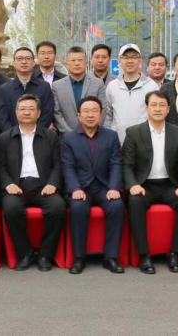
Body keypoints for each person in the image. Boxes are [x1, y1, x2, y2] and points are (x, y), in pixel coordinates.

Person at [123, 91, 178, 274]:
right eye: (153, 105)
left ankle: (175, 254)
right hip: (144, 185)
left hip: (170, 184)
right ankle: (144, 255)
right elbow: (127, 165)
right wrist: (133, 185)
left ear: (168, 109)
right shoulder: (134, 132)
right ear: (146, 109)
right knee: (135, 202)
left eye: (162, 105)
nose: (158, 109)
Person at [0, 95, 65, 272]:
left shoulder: (50, 136)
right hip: (16, 185)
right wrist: (8, 184)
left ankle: (45, 254)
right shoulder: (5, 138)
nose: (26, 112)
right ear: (16, 112)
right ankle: (25, 253)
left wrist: (52, 183)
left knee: (57, 207)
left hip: (43, 186)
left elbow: (58, 164)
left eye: (31, 109)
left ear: (39, 113)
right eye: (22, 109)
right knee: (11, 208)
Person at [62, 97, 125, 274]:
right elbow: (68, 166)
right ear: (79, 116)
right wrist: (75, 188)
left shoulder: (111, 136)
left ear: (101, 114)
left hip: (104, 187)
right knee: (78, 208)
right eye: (86, 111)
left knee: (117, 206)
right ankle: (79, 258)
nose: (90, 115)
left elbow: (116, 163)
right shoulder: (69, 138)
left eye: (94, 111)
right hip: (81, 188)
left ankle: (111, 257)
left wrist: (114, 187)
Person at [103, 44, 160, 142]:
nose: (130, 61)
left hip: (143, 142)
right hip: (117, 142)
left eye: (134, 57)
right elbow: (108, 116)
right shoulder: (112, 86)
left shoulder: (151, 86)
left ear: (140, 61)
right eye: (125, 57)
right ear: (119, 61)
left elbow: (156, 115)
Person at [0, 46, 56, 130]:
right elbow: (2, 118)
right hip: (11, 136)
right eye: (19, 59)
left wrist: (35, 133)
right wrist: (14, 134)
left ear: (33, 63)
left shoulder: (44, 87)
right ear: (14, 63)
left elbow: (47, 114)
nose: (24, 62)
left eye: (28, 58)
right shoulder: (4, 89)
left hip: (39, 135)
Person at [52, 46, 106, 133]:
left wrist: (92, 131)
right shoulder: (57, 86)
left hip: (93, 135)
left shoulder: (98, 83)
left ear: (86, 63)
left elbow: (103, 109)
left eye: (80, 60)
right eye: (73, 60)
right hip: (66, 136)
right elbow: (56, 113)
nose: (77, 63)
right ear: (67, 64)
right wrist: (70, 134)